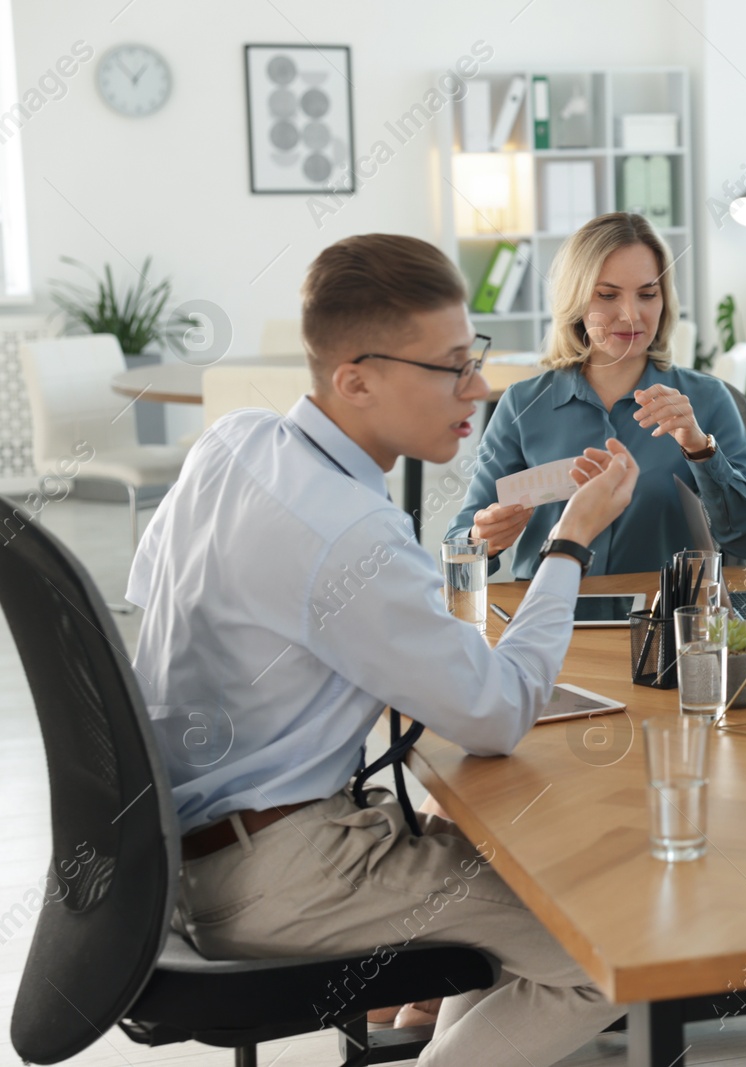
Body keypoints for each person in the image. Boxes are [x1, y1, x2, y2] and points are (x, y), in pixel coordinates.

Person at [129, 234, 639, 1065]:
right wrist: (570, 541)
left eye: (471, 356)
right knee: (610, 948)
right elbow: (499, 714)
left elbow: (156, 592)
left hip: (177, 854)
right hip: (278, 877)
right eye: (449, 368)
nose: (476, 387)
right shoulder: (352, 530)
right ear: (354, 379)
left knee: (509, 879)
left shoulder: (233, 444)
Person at [450, 212, 746, 576]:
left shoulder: (708, 399)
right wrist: (482, 537)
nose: (631, 315)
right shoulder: (522, 405)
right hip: (552, 618)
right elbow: (460, 551)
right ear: (576, 301)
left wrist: (701, 450)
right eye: (607, 295)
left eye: (648, 294)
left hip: (663, 621)